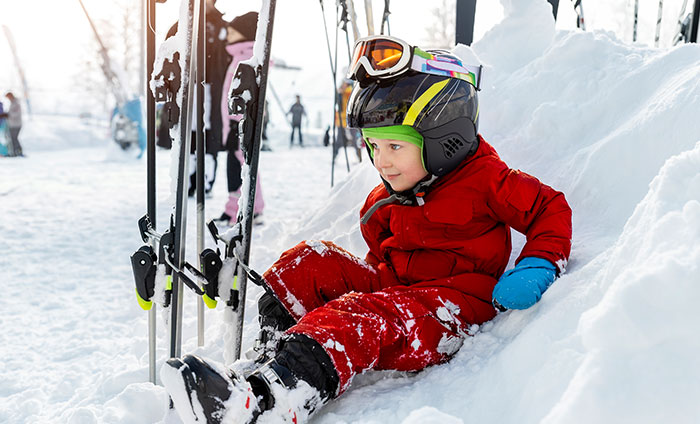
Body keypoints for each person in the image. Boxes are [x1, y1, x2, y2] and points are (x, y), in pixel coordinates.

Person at [161, 36, 573, 424]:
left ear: (445, 137)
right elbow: (379, 249)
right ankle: (270, 358)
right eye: (374, 146)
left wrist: (538, 263)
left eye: (395, 146)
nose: (382, 161)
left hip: (452, 307)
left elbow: (549, 208)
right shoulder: (388, 196)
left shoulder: (487, 179)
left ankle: (273, 401)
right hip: (397, 288)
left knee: (358, 318)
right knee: (310, 261)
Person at [215, 11, 265, 226]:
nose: (228, 35)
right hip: (232, 123)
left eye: (232, 31)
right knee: (234, 167)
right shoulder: (238, 55)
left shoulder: (248, 58)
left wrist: (238, 121)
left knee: (245, 165)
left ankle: (252, 207)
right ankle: (233, 208)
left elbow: (246, 94)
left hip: (241, 123)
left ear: (245, 34)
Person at [0, 92, 23, 157]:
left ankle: (18, 152)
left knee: (14, 138)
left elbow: (16, 113)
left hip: (16, 124)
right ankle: (14, 152)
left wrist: (7, 115)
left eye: (8, 97)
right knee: (12, 138)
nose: (8, 98)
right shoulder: (12, 103)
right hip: (12, 124)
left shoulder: (16, 103)